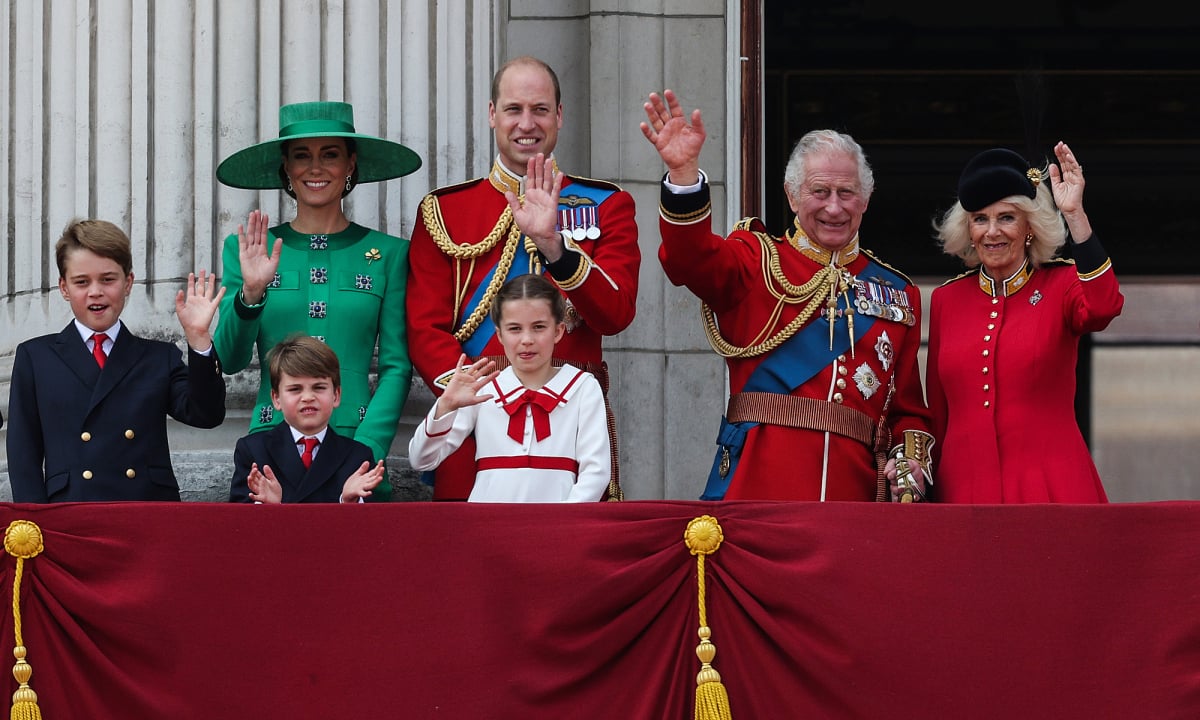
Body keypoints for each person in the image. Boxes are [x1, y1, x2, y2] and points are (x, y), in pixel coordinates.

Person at [641, 89, 932, 502]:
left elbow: (908, 412)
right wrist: (685, 175)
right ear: (792, 195)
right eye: (820, 192)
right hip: (759, 489)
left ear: (866, 200)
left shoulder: (897, 292)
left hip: (855, 499)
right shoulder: (755, 260)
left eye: (846, 193)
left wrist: (908, 463)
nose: (834, 207)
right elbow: (689, 260)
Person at [406, 56, 640, 501]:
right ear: (492, 114)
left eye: (540, 109)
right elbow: (423, 328)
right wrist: (477, 396)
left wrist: (556, 248)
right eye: (514, 109)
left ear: (560, 115)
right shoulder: (445, 210)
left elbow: (616, 313)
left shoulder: (606, 204)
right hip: (474, 420)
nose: (526, 123)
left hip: (570, 414)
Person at [214, 101, 421, 501]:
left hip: (359, 451)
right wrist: (251, 293)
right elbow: (230, 358)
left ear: (350, 164)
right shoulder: (248, 249)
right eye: (301, 156)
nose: (315, 167)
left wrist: (366, 451)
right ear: (286, 168)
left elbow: (397, 367)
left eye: (330, 154)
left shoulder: (390, 253)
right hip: (272, 448)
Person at [926, 143, 1123, 503]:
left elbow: (1104, 307)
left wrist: (1075, 213)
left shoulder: (1060, 285)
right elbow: (938, 413)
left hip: (1051, 487)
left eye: (1006, 217)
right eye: (980, 219)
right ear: (968, 230)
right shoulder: (946, 301)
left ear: (1029, 226)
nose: (992, 232)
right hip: (964, 491)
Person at [6, 219, 227, 502]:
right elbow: (23, 454)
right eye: (81, 282)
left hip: (146, 512)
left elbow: (206, 415)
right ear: (64, 288)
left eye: (108, 279)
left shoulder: (159, 356)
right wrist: (33, 526)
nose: (95, 291)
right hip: (70, 513)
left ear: (128, 283)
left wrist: (198, 340)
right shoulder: (36, 357)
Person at [408, 274, 611, 502]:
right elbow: (422, 459)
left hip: (557, 527)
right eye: (514, 329)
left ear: (558, 331)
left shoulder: (583, 387)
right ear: (500, 335)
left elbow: (596, 472)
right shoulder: (483, 388)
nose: (526, 339)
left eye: (538, 327)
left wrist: (563, 524)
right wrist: (445, 405)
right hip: (489, 528)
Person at [229, 335, 385, 504]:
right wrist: (270, 508)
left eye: (319, 387)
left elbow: (369, 527)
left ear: (336, 395)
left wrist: (347, 503)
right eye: (295, 389)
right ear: (276, 398)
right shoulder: (253, 451)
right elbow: (237, 522)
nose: (308, 397)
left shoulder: (358, 457)